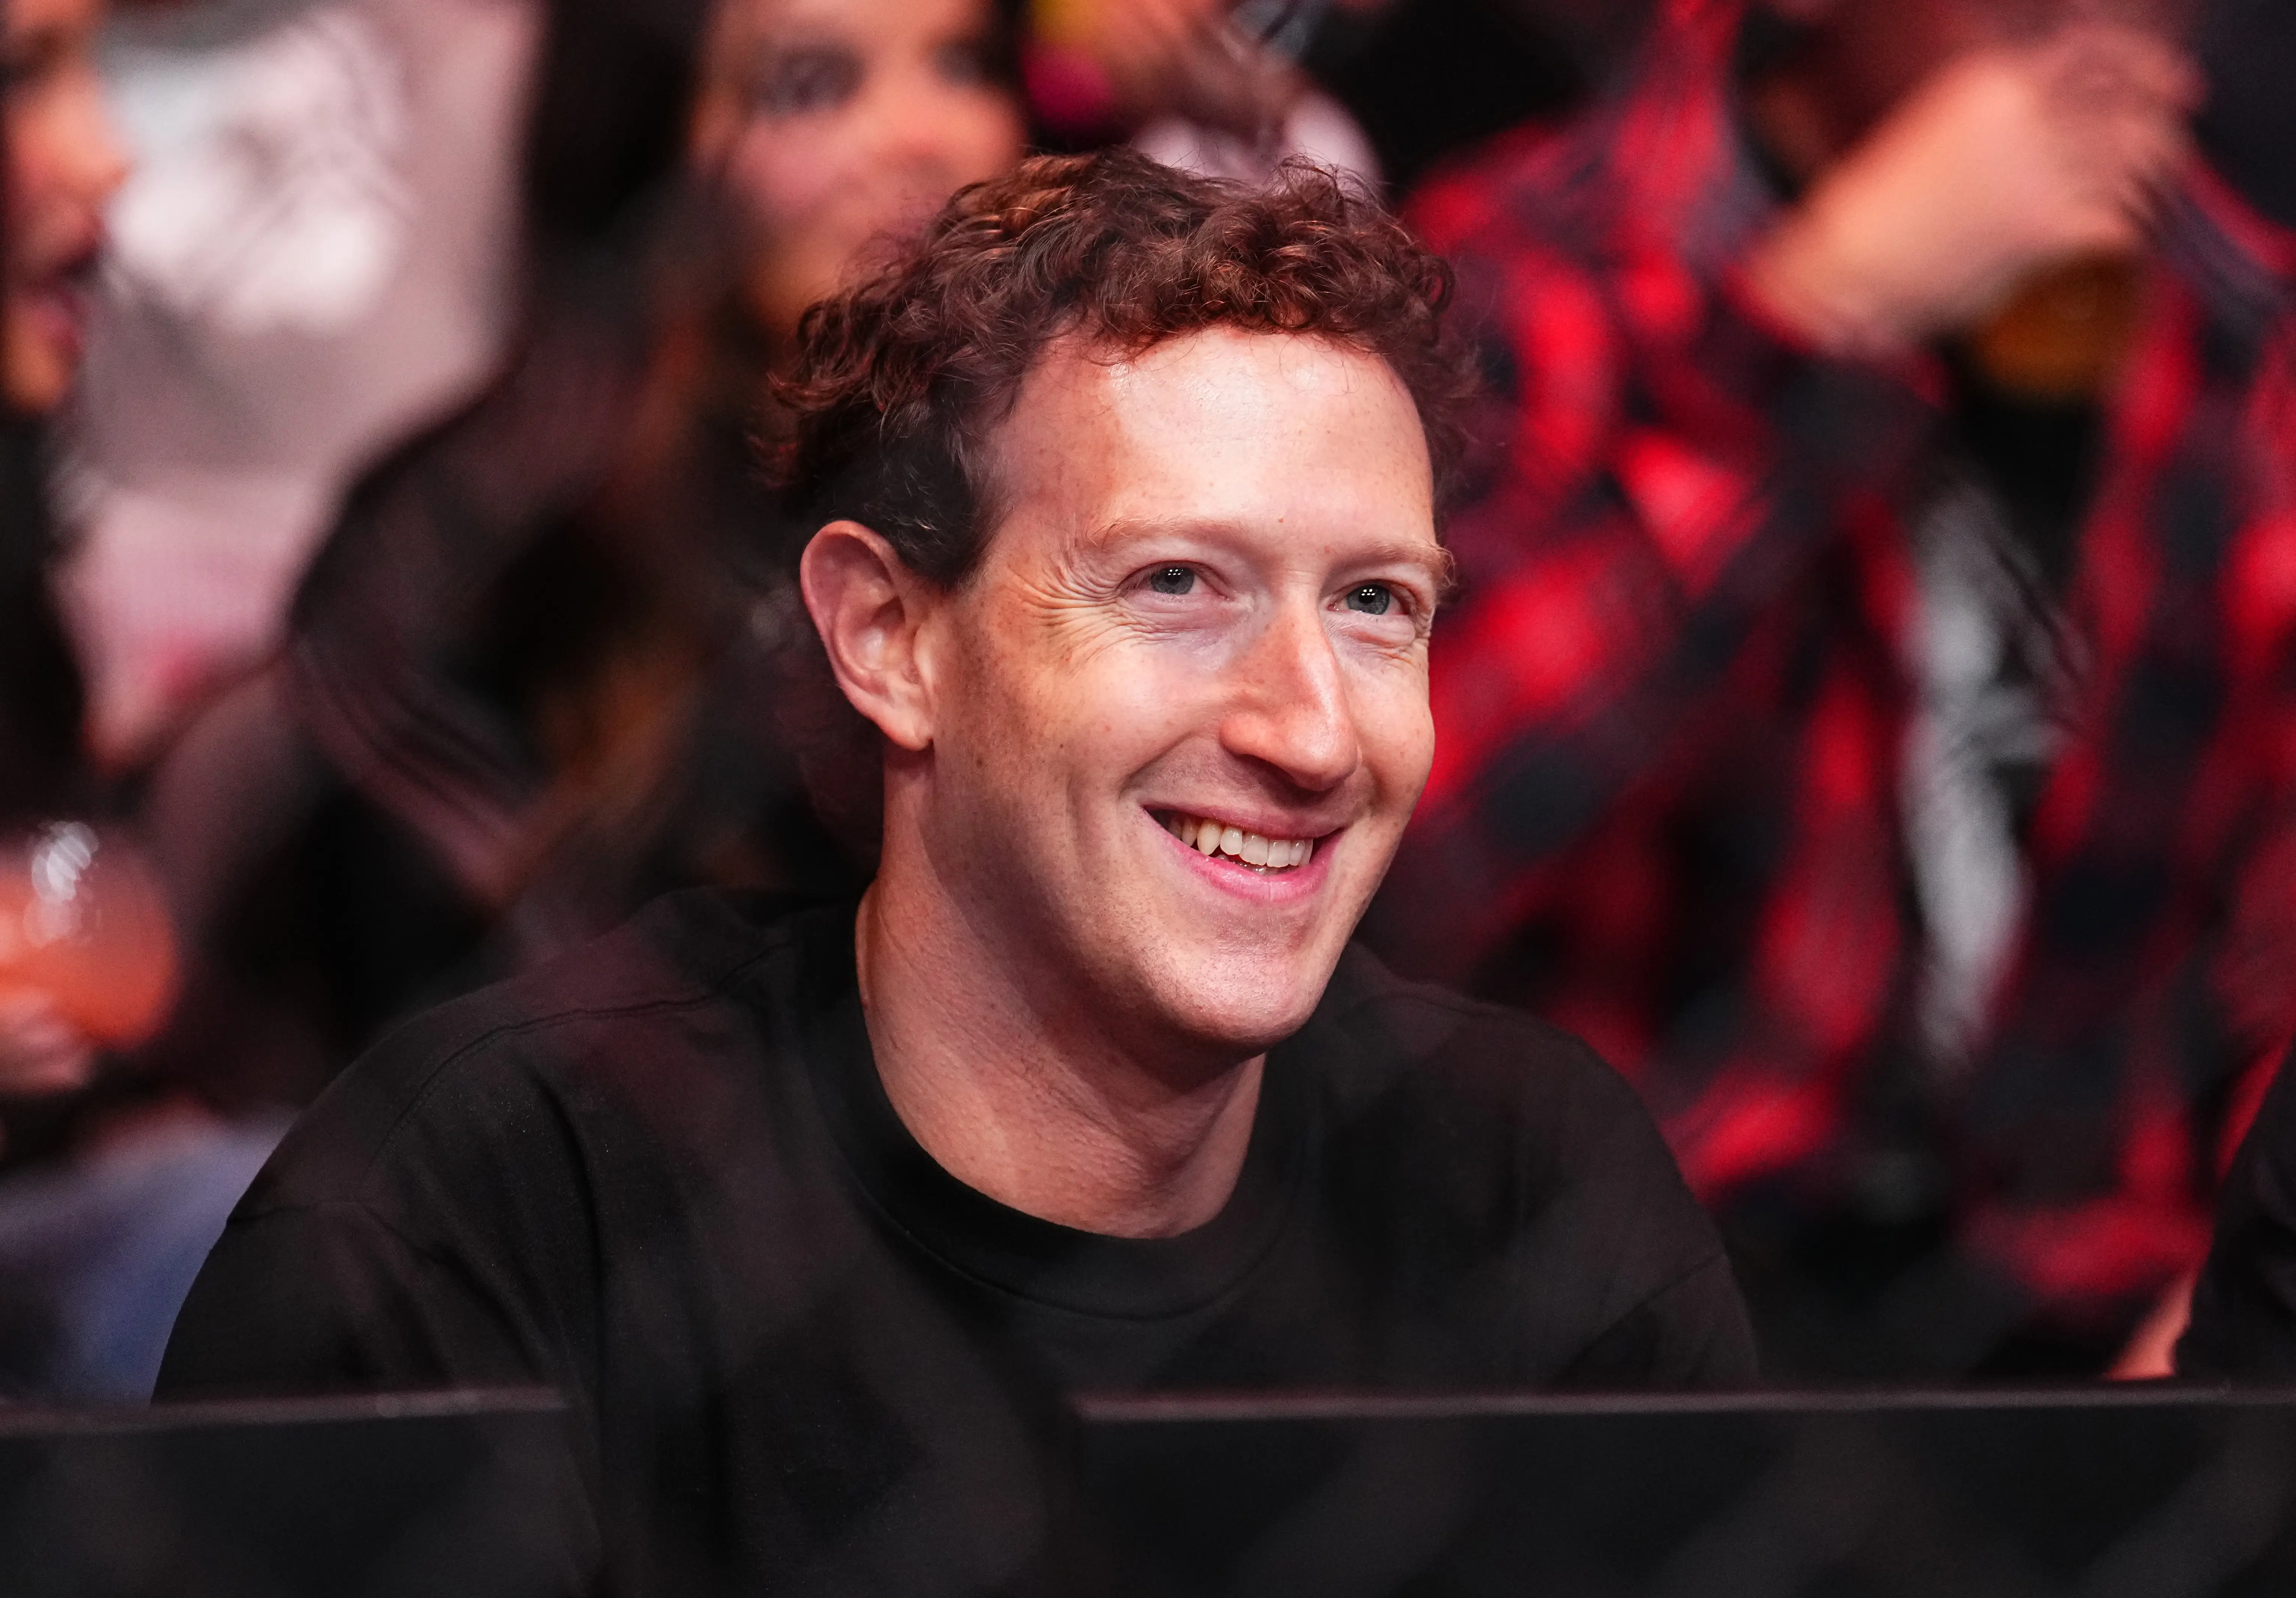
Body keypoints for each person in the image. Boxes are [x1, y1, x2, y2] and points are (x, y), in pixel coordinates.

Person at [156, 150, 1755, 1594]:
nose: (1315, 734)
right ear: (890, 639)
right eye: (1180, 583)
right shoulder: (498, 1203)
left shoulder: (1534, 1192)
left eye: (1377, 606)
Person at [1368, 0, 2296, 1377]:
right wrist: (1818, 325)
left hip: (2096, 1310)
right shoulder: (1529, 260)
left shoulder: (2224, 307)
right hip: (1635, 1294)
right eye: (2039, 7)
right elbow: (1407, 844)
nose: (2121, 54)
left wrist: (2243, 1288)